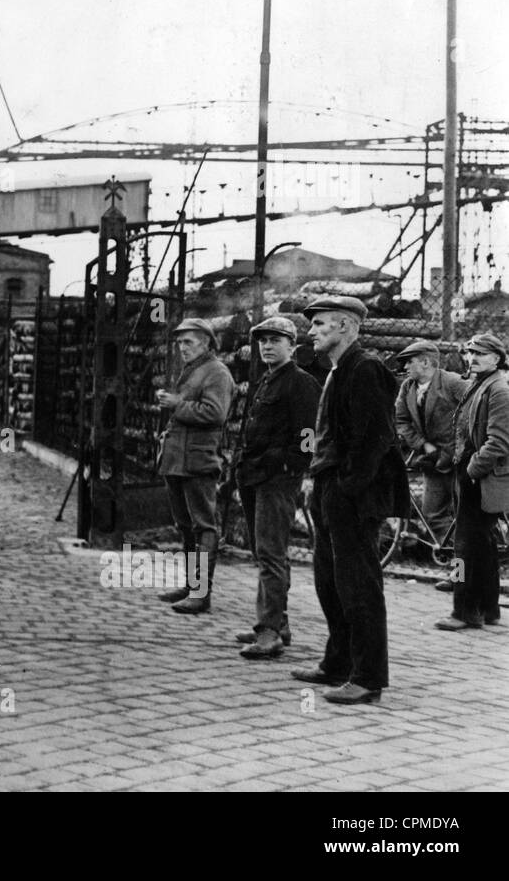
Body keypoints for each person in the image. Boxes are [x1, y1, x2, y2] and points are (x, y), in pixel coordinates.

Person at [294, 295, 408, 705]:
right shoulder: (339, 371)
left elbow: (373, 439)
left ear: (344, 326)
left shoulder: (366, 369)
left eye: (320, 324)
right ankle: (337, 663)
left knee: (359, 585)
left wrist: (345, 488)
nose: (312, 331)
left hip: (354, 497)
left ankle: (368, 678)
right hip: (331, 490)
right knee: (330, 581)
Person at [231, 316, 322, 659]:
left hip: (277, 480)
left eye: (275, 340)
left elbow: (307, 436)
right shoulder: (268, 380)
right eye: (263, 341)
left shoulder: (300, 382)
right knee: (264, 552)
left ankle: (269, 633)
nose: (267, 346)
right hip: (256, 476)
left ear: (292, 346)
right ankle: (277, 623)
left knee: (271, 554)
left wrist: (290, 467)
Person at [156, 317, 235, 615]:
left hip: (198, 460)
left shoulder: (217, 372)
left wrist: (176, 404)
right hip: (178, 460)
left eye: (188, 342)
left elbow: (214, 413)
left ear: (206, 343)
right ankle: (191, 586)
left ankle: (201, 593)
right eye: (179, 342)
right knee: (185, 525)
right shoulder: (194, 370)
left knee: (204, 526)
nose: (181, 348)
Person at [441, 333, 508, 631]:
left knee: (464, 547)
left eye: (481, 353)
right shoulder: (480, 383)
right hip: (472, 474)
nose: (473, 358)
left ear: (497, 359)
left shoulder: (498, 390)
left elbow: (499, 441)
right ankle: (489, 609)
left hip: (477, 477)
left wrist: (471, 470)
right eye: (470, 353)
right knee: (483, 544)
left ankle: (463, 610)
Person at [393, 339, 470, 592]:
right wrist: (423, 445)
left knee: (467, 518)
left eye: (409, 361)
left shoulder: (453, 383)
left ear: (425, 362)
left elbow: (475, 414)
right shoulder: (408, 387)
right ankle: (459, 570)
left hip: (462, 460)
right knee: (433, 514)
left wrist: (458, 448)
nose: (404, 367)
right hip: (434, 460)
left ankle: (469, 575)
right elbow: (402, 420)